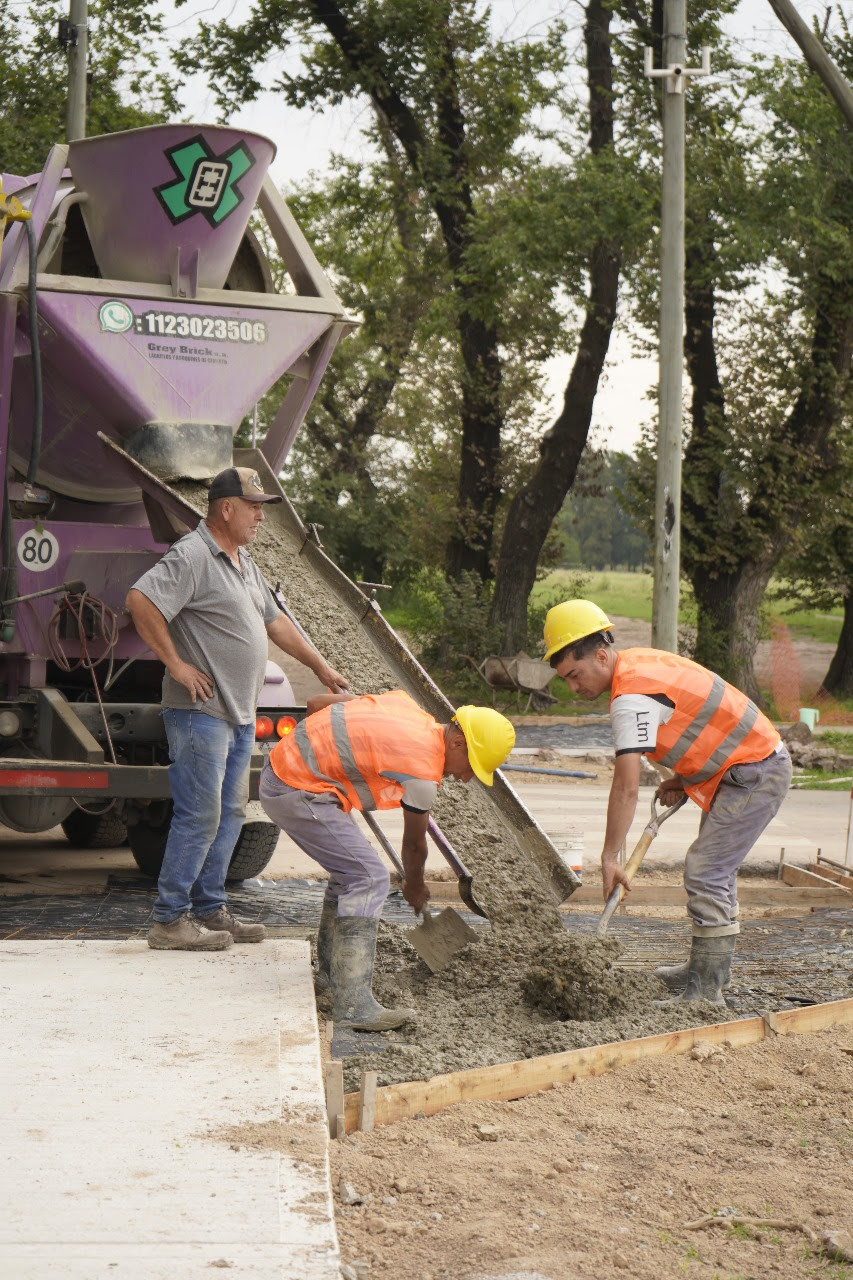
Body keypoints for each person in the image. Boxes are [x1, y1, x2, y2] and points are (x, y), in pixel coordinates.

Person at [126, 466, 348, 952]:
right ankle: (169, 919)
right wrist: (178, 665)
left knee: (229, 812)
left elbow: (277, 623)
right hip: (199, 712)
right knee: (199, 814)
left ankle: (209, 907)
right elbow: (141, 600)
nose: (260, 518)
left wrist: (322, 666)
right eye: (254, 508)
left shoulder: (244, 562)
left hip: (239, 714)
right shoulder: (192, 555)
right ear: (225, 509)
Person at [543, 599, 792, 1005]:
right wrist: (685, 775)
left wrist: (609, 857)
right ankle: (705, 971)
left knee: (707, 870)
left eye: (574, 674)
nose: (573, 687)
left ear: (601, 655)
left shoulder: (631, 697)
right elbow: (696, 718)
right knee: (714, 871)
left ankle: (705, 993)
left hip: (755, 770)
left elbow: (625, 787)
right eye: (565, 679)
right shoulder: (637, 664)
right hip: (745, 763)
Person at [258, 690, 515, 1031]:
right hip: (295, 788)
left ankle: (331, 977)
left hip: (288, 773)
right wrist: (415, 885)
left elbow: (319, 703)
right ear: (457, 744)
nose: (465, 778)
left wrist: (325, 757)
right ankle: (353, 1006)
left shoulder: (407, 707)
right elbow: (413, 845)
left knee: (349, 874)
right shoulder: (423, 773)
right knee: (369, 878)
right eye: (472, 767)